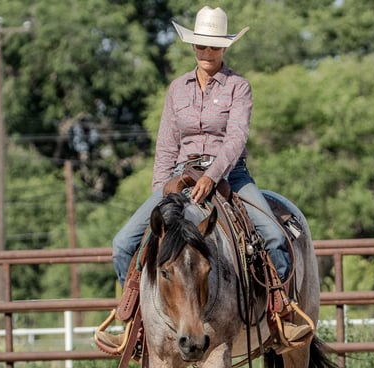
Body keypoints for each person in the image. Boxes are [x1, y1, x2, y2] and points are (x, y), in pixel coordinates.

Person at [102, 6, 311, 348]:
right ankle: (137, 326)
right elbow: (166, 145)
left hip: (231, 175)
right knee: (123, 244)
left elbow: (236, 138)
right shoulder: (177, 89)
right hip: (180, 179)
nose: (207, 52)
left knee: (273, 236)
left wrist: (212, 176)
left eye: (214, 46)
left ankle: (280, 316)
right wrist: (162, 195)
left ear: (224, 48)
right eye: (201, 45)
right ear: (193, 47)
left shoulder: (238, 87)